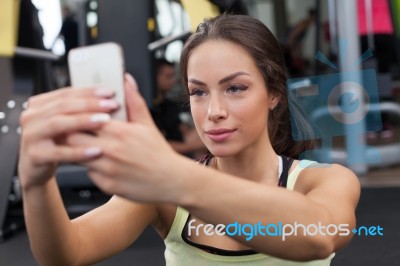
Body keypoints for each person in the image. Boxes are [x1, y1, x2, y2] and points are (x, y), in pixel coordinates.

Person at [19, 14, 360, 265]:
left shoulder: (323, 180)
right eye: (198, 92)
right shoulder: (163, 195)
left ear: (273, 94)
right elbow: (66, 253)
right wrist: (36, 181)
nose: (214, 110)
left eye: (235, 88)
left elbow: (319, 237)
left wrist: (172, 174)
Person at [151, 58, 206, 157]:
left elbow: (181, 128)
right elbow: (159, 145)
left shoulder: (169, 105)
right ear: (155, 77)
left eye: (173, 76)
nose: (172, 80)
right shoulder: (150, 108)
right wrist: (197, 145)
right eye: (168, 76)